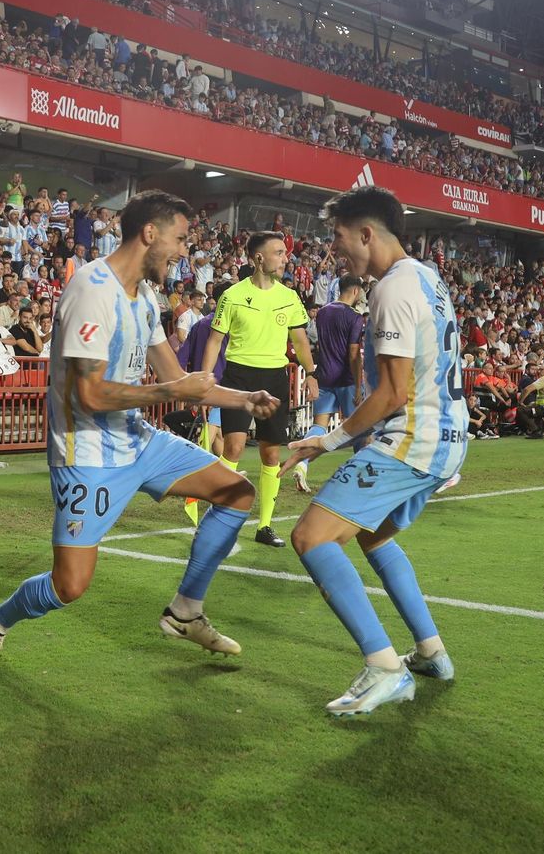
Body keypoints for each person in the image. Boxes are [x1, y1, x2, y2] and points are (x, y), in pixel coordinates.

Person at [0, 190, 281, 670]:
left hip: (138, 439)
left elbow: (179, 382)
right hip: (87, 453)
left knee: (236, 492)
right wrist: (166, 393)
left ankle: (185, 611)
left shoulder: (146, 297)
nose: (182, 252)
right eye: (178, 240)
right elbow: (89, 395)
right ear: (148, 234)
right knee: (68, 586)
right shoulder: (93, 289)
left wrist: (244, 400)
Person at [282, 185, 468, 717]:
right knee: (373, 536)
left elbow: (390, 393)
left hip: (412, 440)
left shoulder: (391, 288)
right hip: (447, 439)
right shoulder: (428, 277)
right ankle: (431, 653)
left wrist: (326, 441)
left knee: (311, 537)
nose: (337, 251)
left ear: (367, 233)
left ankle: (386, 668)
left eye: (340, 239)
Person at [201, 230, 318, 548]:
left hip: (274, 378)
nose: (285, 257)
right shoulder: (233, 295)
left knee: (270, 453)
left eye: (284, 252)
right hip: (238, 377)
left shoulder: (289, 297)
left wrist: (311, 372)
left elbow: (300, 340)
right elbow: (215, 340)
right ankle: (218, 519)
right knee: (234, 448)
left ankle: (264, 525)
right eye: (279, 252)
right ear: (258, 258)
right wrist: (204, 377)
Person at [297, 275, 364, 493]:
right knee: (358, 428)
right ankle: (359, 477)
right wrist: (358, 383)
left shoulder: (323, 312)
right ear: (355, 291)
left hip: (324, 375)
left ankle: (302, 464)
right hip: (346, 379)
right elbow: (354, 353)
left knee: (319, 426)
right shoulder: (355, 317)